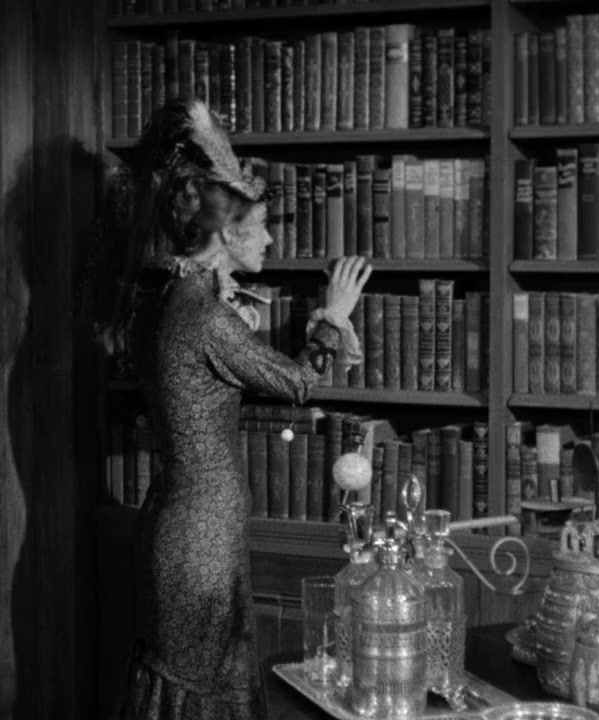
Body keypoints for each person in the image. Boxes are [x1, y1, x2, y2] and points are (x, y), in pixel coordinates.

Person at [102, 98, 372, 720]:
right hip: (199, 535)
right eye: (262, 225)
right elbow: (298, 382)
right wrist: (334, 313)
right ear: (226, 232)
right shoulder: (203, 315)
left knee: (192, 681)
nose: (272, 238)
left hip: (185, 522)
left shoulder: (169, 297)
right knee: (203, 686)